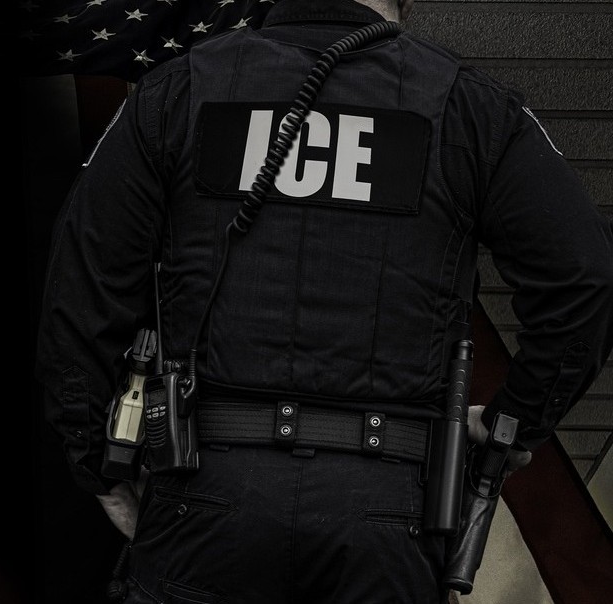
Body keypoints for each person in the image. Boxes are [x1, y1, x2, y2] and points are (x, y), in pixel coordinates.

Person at [33, 0, 613, 601]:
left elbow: (79, 287)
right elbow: (587, 279)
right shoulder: (473, 106)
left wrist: (100, 466)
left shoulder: (175, 90)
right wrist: (512, 428)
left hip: (201, 498)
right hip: (388, 515)